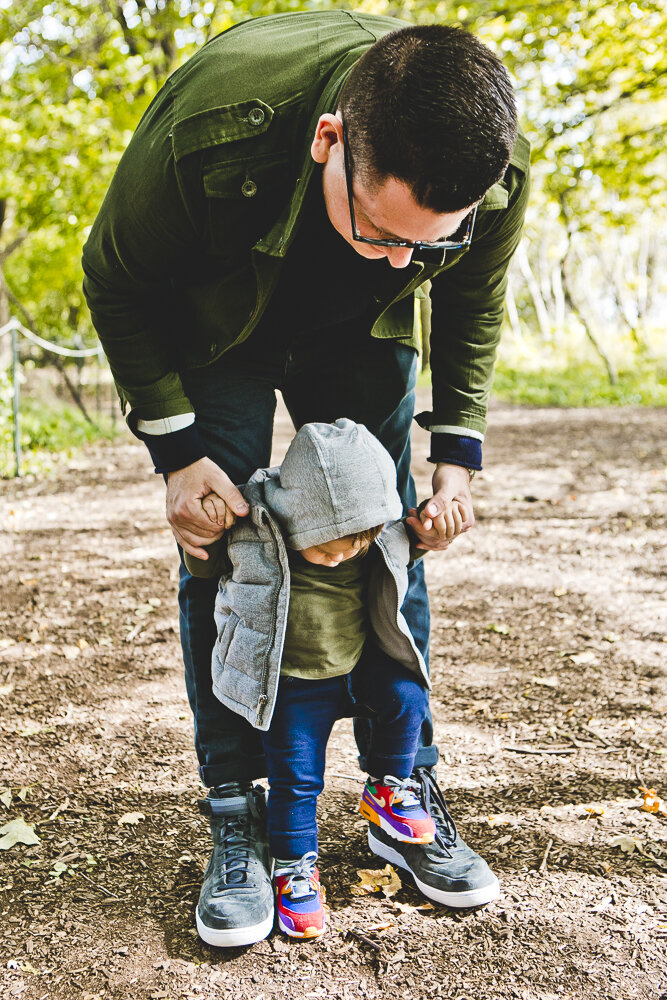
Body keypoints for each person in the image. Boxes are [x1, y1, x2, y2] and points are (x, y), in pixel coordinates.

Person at [82, 11, 529, 947]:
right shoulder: (211, 129)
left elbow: (471, 297)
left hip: (361, 338)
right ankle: (239, 810)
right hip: (221, 326)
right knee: (227, 542)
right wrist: (175, 453)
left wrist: (457, 448)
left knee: (387, 536)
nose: (406, 259)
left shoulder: (482, 173)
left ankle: (399, 785)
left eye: (429, 243)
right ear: (330, 140)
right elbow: (114, 276)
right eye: (383, 230)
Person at [187, 419, 475, 941]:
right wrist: (199, 539)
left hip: (359, 665)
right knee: (296, 781)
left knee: (408, 698)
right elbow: (206, 570)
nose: (342, 554)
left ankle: (389, 786)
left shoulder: (372, 533)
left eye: (354, 545)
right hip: (294, 686)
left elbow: (401, 546)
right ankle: (294, 869)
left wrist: (428, 537)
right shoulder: (256, 529)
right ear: (299, 518)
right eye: (328, 547)